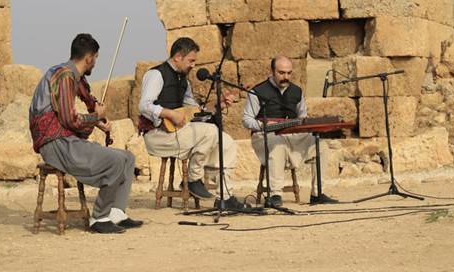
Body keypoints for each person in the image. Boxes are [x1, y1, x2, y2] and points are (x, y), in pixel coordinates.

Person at [29, 33, 142, 234]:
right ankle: (99, 217)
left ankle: (116, 212)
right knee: (115, 161)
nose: (95, 63)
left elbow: (89, 103)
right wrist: (95, 116)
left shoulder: (74, 77)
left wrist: (98, 120)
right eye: (96, 58)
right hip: (56, 143)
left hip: (66, 140)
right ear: (89, 57)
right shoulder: (64, 76)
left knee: (128, 158)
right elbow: (69, 119)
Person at [138, 37, 246, 210]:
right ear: (178, 57)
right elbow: (144, 106)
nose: (193, 65)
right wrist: (169, 113)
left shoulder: (184, 81)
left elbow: (194, 110)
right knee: (210, 131)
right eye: (191, 61)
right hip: (158, 135)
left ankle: (224, 197)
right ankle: (193, 179)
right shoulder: (156, 74)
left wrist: (218, 104)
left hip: (178, 132)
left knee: (226, 142)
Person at [242, 55, 338, 206]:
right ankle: (275, 195)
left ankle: (317, 193)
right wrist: (264, 124)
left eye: (289, 73)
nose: (285, 77)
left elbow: (303, 116)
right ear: (272, 71)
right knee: (277, 145)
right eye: (281, 73)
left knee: (321, 146)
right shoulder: (258, 91)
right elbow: (247, 120)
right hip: (266, 134)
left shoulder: (296, 91)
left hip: (292, 134)